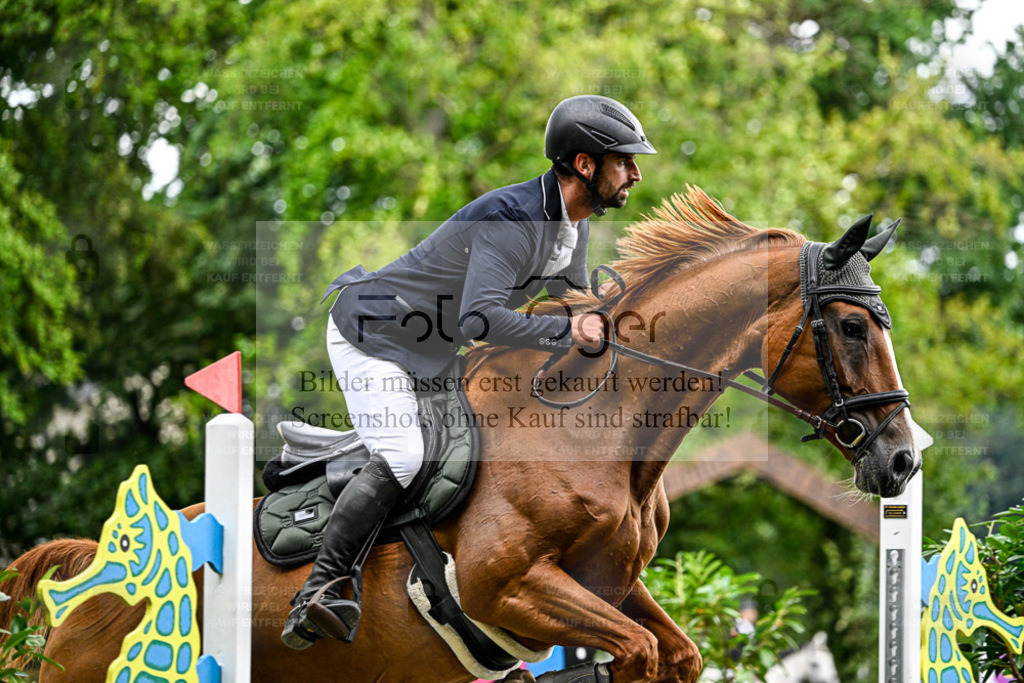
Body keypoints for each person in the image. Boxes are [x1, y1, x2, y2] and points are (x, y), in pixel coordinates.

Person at [281, 95, 657, 649]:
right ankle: (320, 589)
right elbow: (479, 317)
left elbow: (571, 295)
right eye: (625, 160)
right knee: (406, 456)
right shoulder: (513, 218)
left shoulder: (568, 225)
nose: (636, 173)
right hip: (373, 334)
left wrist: (611, 321)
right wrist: (566, 331)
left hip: (431, 350)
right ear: (584, 164)